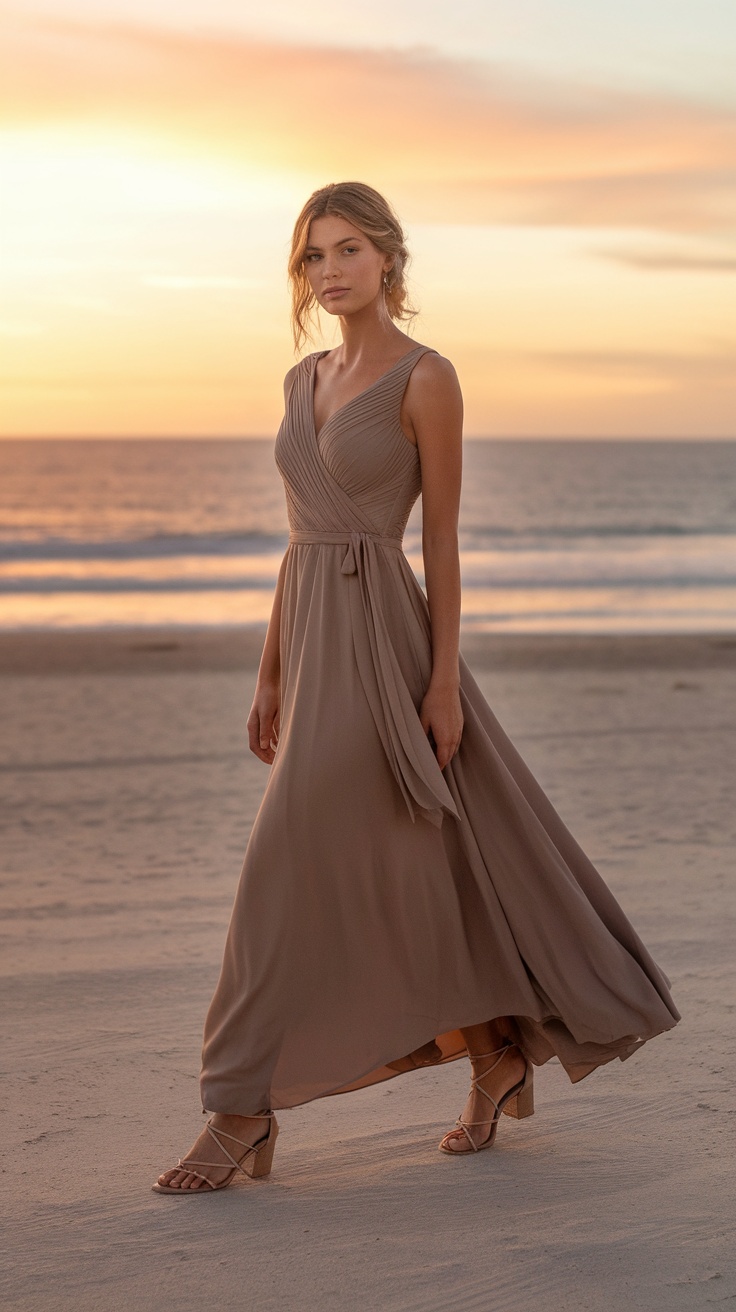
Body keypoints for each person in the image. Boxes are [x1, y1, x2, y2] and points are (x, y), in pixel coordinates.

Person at [153, 181, 679, 1193]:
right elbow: (297, 543)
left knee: (282, 868)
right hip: (308, 639)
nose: (332, 269)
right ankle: (491, 1055)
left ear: (389, 261)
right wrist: (268, 675)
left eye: (350, 249)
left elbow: (437, 545)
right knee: (411, 861)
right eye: (314, 255)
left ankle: (236, 1108)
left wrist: (440, 685)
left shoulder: (427, 378)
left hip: (384, 641)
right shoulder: (299, 380)